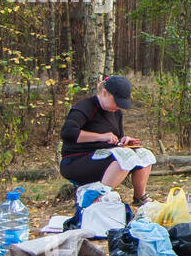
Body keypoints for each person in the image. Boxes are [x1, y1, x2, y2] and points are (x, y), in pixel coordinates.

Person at [59, 75, 153, 205]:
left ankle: (139, 197)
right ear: (104, 93)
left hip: (103, 158)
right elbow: (68, 133)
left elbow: (115, 140)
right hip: (76, 160)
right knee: (123, 158)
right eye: (117, 102)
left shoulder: (116, 113)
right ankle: (98, 198)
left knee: (144, 154)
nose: (118, 107)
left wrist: (123, 141)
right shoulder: (85, 106)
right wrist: (101, 136)